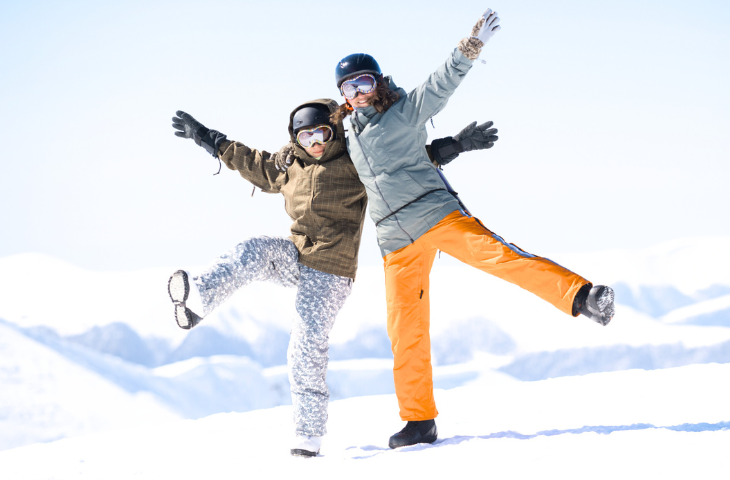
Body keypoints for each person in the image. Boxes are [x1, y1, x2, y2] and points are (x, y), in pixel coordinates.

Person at [333, 9, 616, 449]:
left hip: (435, 215)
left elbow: (440, 83)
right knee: (405, 330)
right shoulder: (346, 133)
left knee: (500, 257)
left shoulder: (403, 111)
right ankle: (418, 421)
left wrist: (471, 46)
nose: (358, 93)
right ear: (343, 95)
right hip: (394, 239)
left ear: (379, 83)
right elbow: (313, 145)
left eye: (364, 83)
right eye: (349, 88)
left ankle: (583, 296)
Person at [168, 100, 496, 457]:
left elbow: (402, 162)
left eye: (321, 134)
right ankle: (200, 297)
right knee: (252, 250)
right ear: (295, 138)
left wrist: (457, 145)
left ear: (334, 131)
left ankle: (308, 436)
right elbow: (249, 161)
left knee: (304, 345)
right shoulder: (288, 164)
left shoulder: (356, 161)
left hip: (331, 270)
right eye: (305, 136)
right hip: (296, 255)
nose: (314, 143)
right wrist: (205, 137)